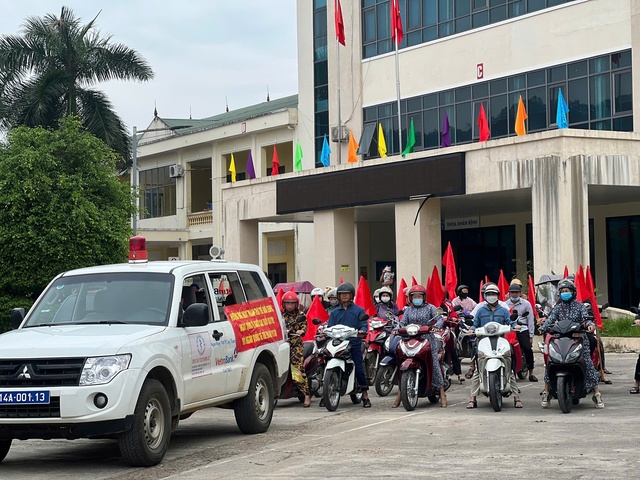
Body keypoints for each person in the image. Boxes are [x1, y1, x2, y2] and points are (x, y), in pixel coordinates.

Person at [539, 279, 604, 409]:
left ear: (573, 292)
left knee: (588, 363)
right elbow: (550, 320)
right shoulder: (557, 308)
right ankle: (546, 392)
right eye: (562, 291)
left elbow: (586, 320)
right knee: (550, 363)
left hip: (578, 339)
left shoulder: (580, 306)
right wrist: (543, 327)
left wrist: (590, 326)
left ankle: (596, 394)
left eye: (567, 291)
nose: (565, 293)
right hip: (560, 340)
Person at [466, 283, 523, 409]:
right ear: (485, 296)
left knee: (509, 367)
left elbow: (510, 322)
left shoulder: (503, 310)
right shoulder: (481, 310)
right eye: (489, 294)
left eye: (494, 294)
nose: (491, 296)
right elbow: (475, 324)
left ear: (497, 295)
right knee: (478, 370)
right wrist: (471, 329)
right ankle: (472, 398)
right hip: (483, 341)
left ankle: (516, 398)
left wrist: (515, 326)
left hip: (500, 340)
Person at [392, 285, 447, 408]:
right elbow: (402, 323)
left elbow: (439, 319)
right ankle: (400, 393)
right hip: (410, 338)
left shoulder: (430, 308)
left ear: (424, 297)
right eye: (415, 296)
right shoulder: (408, 310)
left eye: (419, 296)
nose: (417, 298)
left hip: (427, 339)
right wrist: (396, 329)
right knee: (400, 358)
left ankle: (442, 393)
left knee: (434, 363)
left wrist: (436, 327)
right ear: (411, 298)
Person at [327, 282, 371, 408]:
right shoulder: (335, 312)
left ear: (352, 295)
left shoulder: (359, 310)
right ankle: (327, 391)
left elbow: (363, 324)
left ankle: (365, 395)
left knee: (358, 367)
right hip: (337, 343)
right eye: (341, 294)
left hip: (354, 344)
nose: (344, 296)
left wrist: (362, 331)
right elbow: (330, 326)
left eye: (347, 294)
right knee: (324, 358)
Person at [281, 291, 311, 407]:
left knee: (296, 369)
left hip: (295, 345)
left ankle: (307, 394)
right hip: (282, 344)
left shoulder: (300, 315)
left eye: (292, 303)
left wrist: (301, 331)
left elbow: (304, 327)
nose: (289, 306)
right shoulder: (280, 315)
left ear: (296, 304)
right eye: (287, 303)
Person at [505, 283, 537, 382]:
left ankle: (531, 373)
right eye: (512, 292)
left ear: (520, 293)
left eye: (516, 292)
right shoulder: (504, 304)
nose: (514, 294)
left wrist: (531, 335)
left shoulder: (526, 304)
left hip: (522, 328)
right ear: (509, 293)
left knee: (528, 349)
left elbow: (530, 319)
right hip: (509, 330)